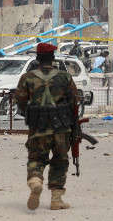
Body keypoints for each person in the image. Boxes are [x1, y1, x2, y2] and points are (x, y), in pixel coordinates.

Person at [15, 42, 78, 211]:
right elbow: (74, 101)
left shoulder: (27, 78)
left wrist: (32, 113)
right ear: (53, 58)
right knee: (60, 161)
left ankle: (35, 181)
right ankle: (56, 200)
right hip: (61, 128)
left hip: (38, 128)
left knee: (36, 158)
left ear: (37, 58)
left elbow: (20, 101)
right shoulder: (65, 77)